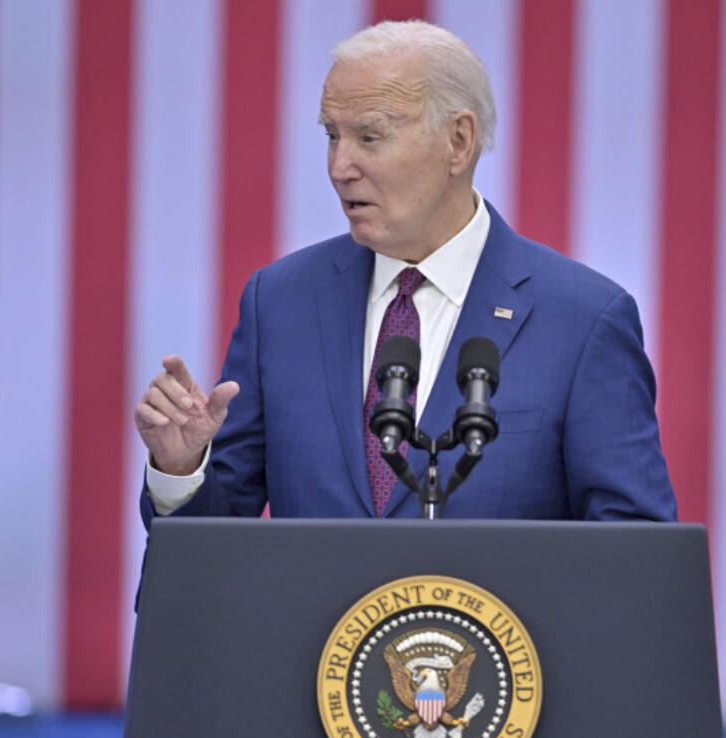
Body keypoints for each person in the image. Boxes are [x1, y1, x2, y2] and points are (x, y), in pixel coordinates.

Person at [135, 20, 676, 523]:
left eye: (369, 137)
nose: (339, 167)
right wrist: (180, 471)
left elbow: (632, 553)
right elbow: (219, 544)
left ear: (458, 142)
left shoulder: (583, 321)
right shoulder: (279, 302)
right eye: (331, 135)